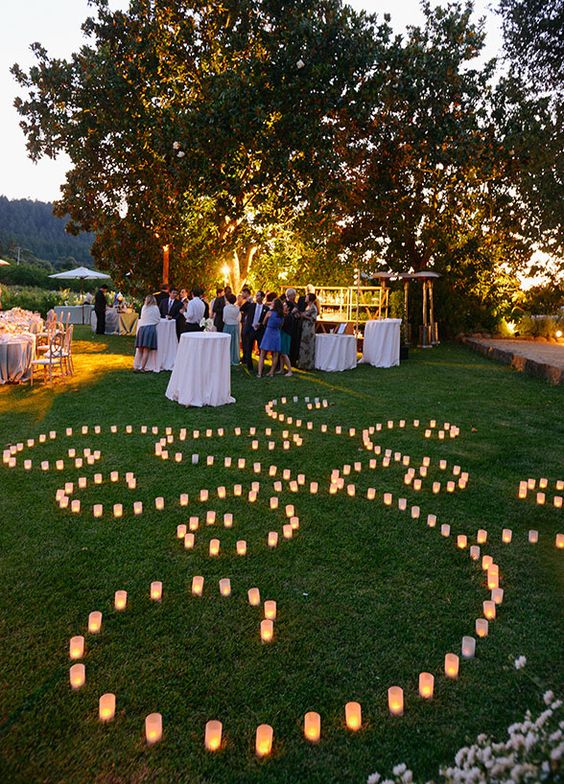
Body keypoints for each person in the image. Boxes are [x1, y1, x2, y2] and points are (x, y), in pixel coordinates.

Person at [258, 298, 284, 377]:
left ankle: (259, 373)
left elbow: (264, 322)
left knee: (262, 353)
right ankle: (271, 372)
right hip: (276, 333)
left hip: (268, 332)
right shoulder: (281, 315)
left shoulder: (269, 313)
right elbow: (281, 325)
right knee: (275, 354)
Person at [241, 290, 267, 370]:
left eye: (258, 295)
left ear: (262, 297)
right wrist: (247, 301)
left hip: (259, 331)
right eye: (256, 295)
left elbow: (266, 320)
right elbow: (241, 309)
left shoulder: (266, 308)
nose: (256, 297)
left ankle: (261, 366)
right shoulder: (251, 305)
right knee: (249, 348)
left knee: (260, 349)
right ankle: (250, 366)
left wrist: (261, 324)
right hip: (250, 329)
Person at [134, 295, 160, 371]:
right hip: (150, 328)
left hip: (142, 328)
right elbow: (158, 319)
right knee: (146, 350)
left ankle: (136, 366)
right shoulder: (155, 308)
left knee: (140, 349)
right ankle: (142, 367)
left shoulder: (144, 307)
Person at [297, 293, 318, 370]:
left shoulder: (313, 307)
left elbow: (314, 319)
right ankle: (302, 363)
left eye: (307, 297)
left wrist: (304, 316)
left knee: (308, 346)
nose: (305, 298)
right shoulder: (307, 307)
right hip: (304, 327)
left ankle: (308, 365)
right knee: (303, 346)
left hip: (309, 329)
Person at [223, 293, 241, 365]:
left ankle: (227, 358)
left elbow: (224, 318)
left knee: (227, 343)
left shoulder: (226, 308)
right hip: (235, 326)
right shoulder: (237, 308)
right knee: (235, 343)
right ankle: (235, 358)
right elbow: (238, 318)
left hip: (228, 326)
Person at [285, 288, 302, 366]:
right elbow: (286, 315)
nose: (295, 296)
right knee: (290, 344)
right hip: (290, 327)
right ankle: (289, 360)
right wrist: (293, 313)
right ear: (289, 295)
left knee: (295, 343)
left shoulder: (295, 303)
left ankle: (293, 360)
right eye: (293, 295)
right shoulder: (287, 304)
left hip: (296, 326)